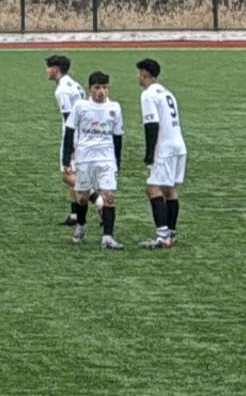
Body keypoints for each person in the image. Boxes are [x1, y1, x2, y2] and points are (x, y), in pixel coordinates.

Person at [65, 70, 125, 250]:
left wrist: (117, 162)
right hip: (85, 158)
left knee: (109, 197)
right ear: (90, 88)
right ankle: (81, 225)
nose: (101, 91)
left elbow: (118, 137)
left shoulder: (115, 107)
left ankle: (107, 238)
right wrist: (66, 159)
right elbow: (69, 131)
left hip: (106, 158)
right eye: (97, 88)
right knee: (82, 198)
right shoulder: (80, 106)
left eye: (105, 87)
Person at [135, 58, 187, 249]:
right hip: (179, 146)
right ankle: (171, 234)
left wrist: (149, 155)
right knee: (169, 189)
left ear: (144, 75)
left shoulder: (148, 95)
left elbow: (152, 125)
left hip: (164, 148)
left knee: (153, 188)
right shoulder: (167, 93)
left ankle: (162, 236)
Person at [47, 54, 82, 227]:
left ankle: (99, 202)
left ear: (55, 69)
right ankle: (75, 215)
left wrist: (70, 145)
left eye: (49, 67)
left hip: (73, 135)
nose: (47, 71)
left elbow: (69, 119)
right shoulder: (75, 84)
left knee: (67, 175)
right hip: (82, 133)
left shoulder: (62, 89)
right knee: (73, 174)